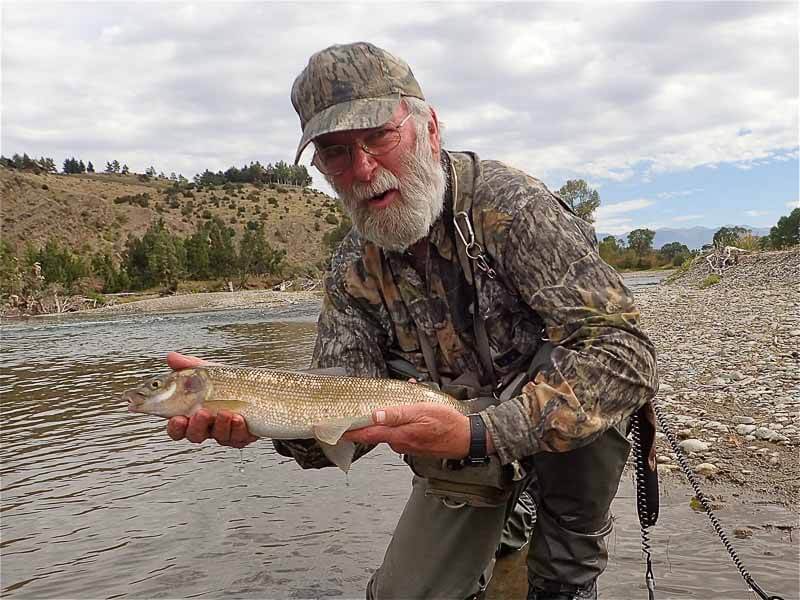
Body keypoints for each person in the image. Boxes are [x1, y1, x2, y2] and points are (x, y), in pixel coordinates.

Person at [166, 42, 658, 600]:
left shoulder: (511, 209)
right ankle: (506, 515)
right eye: (336, 152)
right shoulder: (352, 270)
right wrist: (253, 415)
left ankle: (557, 550)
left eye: (378, 136)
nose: (363, 169)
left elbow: (626, 354)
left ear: (429, 129)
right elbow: (336, 416)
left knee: (561, 580)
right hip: (458, 449)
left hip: (554, 437)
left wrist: (483, 432)